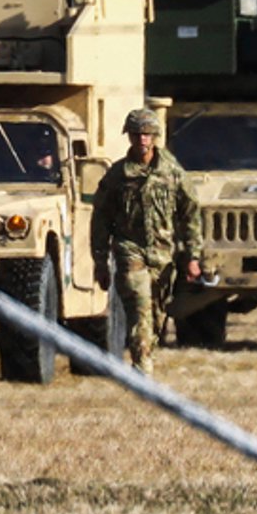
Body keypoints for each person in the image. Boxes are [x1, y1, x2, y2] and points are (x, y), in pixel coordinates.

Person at [89, 108, 203, 375]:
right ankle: (142, 369)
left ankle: (146, 352)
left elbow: (190, 215)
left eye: (147, 135)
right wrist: (100, 262)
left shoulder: (173, 173)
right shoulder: (117, 176)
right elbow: (101, 220)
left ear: (155, 137)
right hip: (130, 250)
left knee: (155, 314)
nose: (142, 140)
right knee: (139, 306)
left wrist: (193, 256)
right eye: (137, 134)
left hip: (163, 255)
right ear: (129, 137)